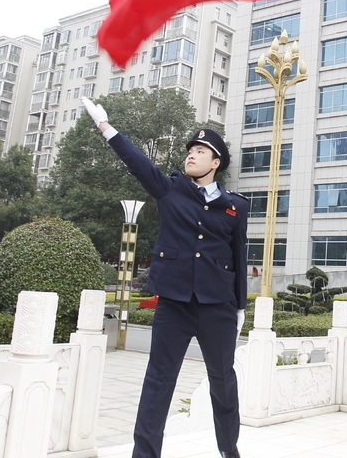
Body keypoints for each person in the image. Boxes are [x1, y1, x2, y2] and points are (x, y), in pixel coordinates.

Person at [80, 97, 247, 458]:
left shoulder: (236, 206)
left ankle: (229, 450)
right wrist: (106, 128)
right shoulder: (171, 189)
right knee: (159, 380)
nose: (191, 154)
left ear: (215, 162)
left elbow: (238, 255)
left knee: (223, 380)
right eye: (190, 149)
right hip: (174, 302)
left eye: (201, 151)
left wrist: (240, 306)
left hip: (218, 305)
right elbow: (137, 164)